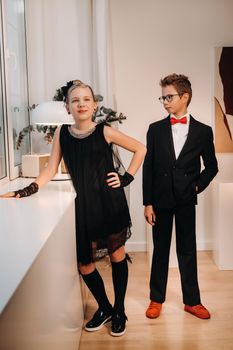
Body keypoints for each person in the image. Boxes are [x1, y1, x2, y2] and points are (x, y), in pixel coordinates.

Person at [1, 80, 146, 337]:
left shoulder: (105, 131)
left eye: (86, 99)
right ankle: (105, 308)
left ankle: (120, 311)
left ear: (95, 105)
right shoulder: (62, 134)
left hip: (110, 204)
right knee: (85, 265)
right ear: (67, 107)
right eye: (75, 100)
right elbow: (49, 170)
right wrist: (24, 191)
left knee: (116, 256)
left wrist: (126, 178)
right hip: (84, 207)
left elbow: (140, 148)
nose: (81, 104)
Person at [143, 73, 218, 320]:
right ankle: (156, 299)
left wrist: (197, 186)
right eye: (162, 97)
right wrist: (148, 203)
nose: (165, 101)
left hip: (186, 199)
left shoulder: (203, 131)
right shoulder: (155, 130)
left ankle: (192, 302)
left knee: (187, 250)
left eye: (169, 96)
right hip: (160, 199)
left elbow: (212, 166)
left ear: (184, 97)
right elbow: (149, 167)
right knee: (160, 250)